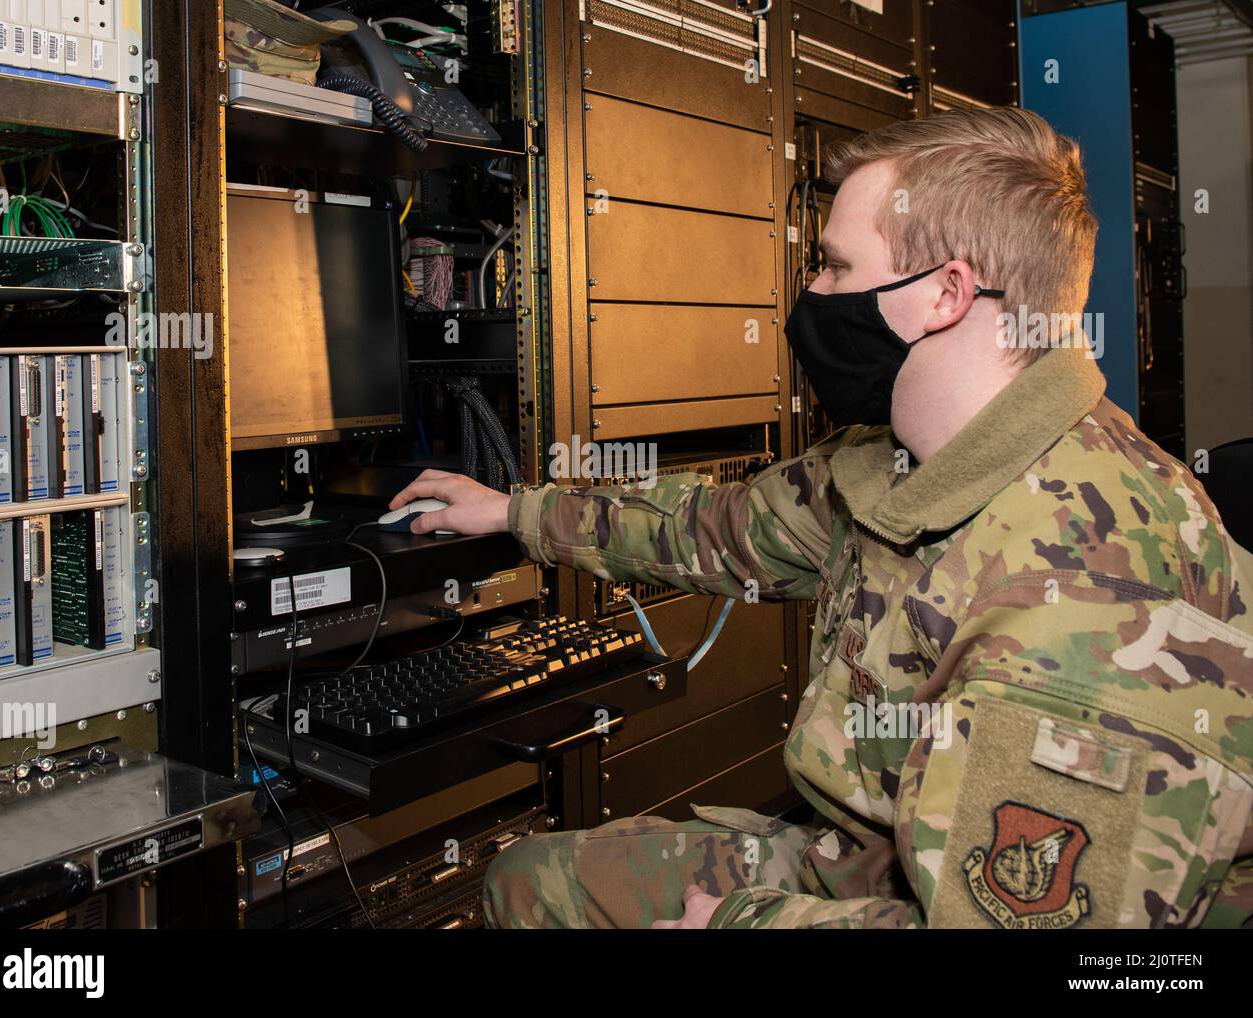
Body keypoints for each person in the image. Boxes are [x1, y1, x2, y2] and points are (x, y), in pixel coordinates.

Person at [388, 107, 1253, 929]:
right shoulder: (906, 460)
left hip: (930, 903)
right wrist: (515, 510)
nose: (813, 290)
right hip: (871, 860)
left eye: (837, 267)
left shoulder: (1094, 600)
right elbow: (720, 526)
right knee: (527, 882)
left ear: (945, 292)